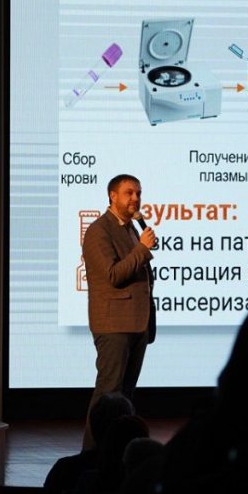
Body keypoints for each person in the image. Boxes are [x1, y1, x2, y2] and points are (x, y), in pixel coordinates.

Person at [81, 174, 156, 449]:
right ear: (113, 196)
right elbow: (113, 274)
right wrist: (143, 249)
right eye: (129, 193)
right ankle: (91, 454)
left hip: (136, 323)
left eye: (138, 193)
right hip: (114, 325)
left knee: (125, 396)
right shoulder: (99, 231)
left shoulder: (130, 228)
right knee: (108, 395)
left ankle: (117, 453)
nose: (135, 198)